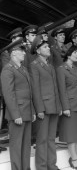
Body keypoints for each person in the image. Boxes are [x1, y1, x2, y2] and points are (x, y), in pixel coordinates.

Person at [1, 38, 35, 170]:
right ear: (14, 53)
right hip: (18, 114)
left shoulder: (23, 69)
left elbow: (29, 93)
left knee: (26, 145)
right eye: (22, 51)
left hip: (26, 111)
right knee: (16, 146)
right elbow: (9, 94)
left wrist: (32, 111)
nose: (24, 54)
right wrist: (16, 115)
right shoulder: (8, 69)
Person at [30, 35, 62, 170]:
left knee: (51, 139)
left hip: (53, 106)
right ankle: (42, 167)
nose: (48, 48)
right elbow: (35, 90)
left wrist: (59, 105)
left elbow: (55, 88)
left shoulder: (49, 65)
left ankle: (52, 165)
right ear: (38, 50)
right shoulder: (34, 66)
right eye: (45, 47)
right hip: (44, 107)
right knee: (42, 140)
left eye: (48, 46)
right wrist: (39, 109)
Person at [56, 45, 77, 170]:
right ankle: (74, 159)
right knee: (71, 134)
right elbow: (61, 90)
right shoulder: (61, 69)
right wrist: (65, 107)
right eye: (75, 53)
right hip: (71, 105)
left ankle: (75, 157)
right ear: (69, 55)